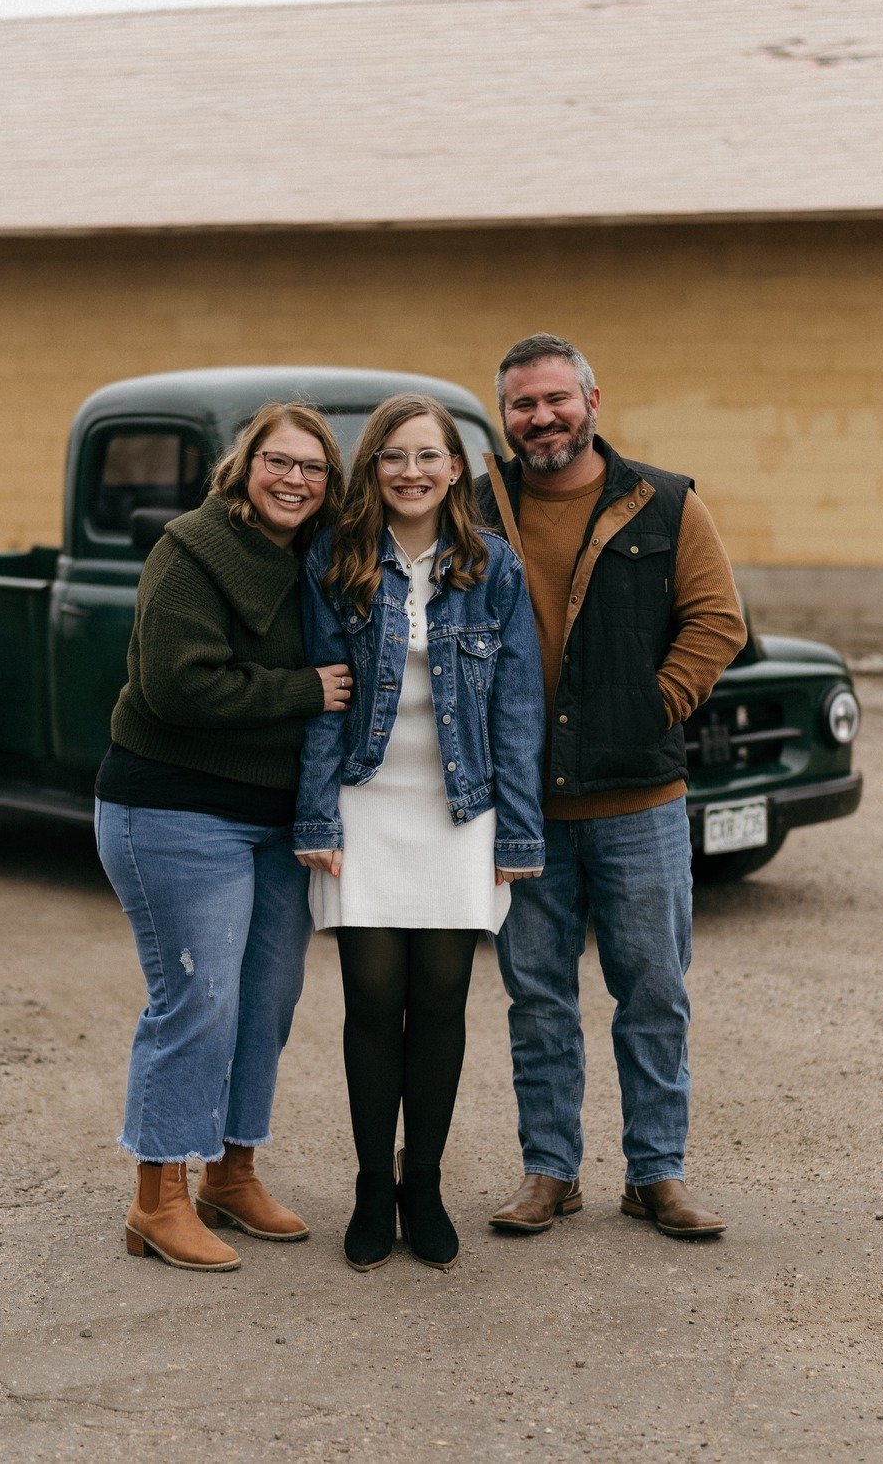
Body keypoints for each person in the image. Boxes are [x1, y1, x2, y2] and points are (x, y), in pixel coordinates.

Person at [476, 334, 746, 1240]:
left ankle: (655, 1174)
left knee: (654, 992)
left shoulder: (664, 502)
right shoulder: (475, 508)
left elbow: (716, 620)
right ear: (504, 417)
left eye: (555, 398)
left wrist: (651, 709)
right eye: (522, 405)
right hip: (522, 811)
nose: (541, 417)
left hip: (639, 804)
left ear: (593, 399)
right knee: (539, 998)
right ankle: (549, 1171)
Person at [95, 403, 354, 1272]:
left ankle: (231, 1171)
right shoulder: (191, 551)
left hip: (272, 819)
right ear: (244, 467)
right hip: (172, 809)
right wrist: (302, 692)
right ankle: (154, 1200)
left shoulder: (318, 564)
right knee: (195, 998)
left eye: (312, 469)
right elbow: (176, 687)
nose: (294, 480)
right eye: (278, 462)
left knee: (266, 999)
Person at [294, 394, 545, 1272]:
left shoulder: (493, 568)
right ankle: (371, 1185)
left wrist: (516, 835)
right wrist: (316, 814)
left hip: (459, 812)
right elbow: (322, 699)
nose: (411, 472)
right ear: (373, 468)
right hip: (363, 805)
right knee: (370, 1002)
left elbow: (516, 710)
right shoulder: (337, 558)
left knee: (439, 1002)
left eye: (428, 456)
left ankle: (423, 1182)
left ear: (454, 468)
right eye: (394, 456)